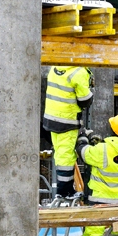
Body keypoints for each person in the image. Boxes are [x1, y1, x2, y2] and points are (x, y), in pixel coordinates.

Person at [42, 66, 94, 198]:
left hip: (51, 119)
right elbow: (85, 100)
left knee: (60, 153)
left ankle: (63, 188)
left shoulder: (54, 68)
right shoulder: (79, 72)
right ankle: (65, 191)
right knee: (66, 156)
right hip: (67, 121)